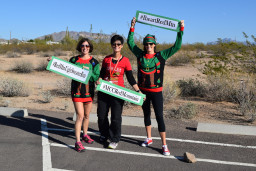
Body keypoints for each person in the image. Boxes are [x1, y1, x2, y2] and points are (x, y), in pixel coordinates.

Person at [127, 17, 184, 156]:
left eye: (151, 44)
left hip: (157, 92)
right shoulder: (140, 54)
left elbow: (176, 46)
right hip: (143, 92)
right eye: (146, 44)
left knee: (159, 116)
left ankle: (164, 145)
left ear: (155, 45)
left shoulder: (161, 55)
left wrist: (181, 30)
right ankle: (149, 138)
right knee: (146, 115)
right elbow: (130, 43)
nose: (148, 46)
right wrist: (132, 27)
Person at [48, 38, 100, 152]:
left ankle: (85, 135)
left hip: (89, 93)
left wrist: (85, 73)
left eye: (87, 46)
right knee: (80, 116)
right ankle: (77, 141)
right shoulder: (74, 60)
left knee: (87, 115)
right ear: (80, 47)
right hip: (77, 92)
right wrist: (53, 61)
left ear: (90, 47)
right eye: (83, 45)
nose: (85, 48)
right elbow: (64, 66)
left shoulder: (94, 62)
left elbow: (96, 77)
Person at [96, 34, 141, 149]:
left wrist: (138, 91)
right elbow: (102, 74)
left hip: (118, 93)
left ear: (122, 46)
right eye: (114, 44)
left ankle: (114, 138)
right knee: (101, 116)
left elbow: (130, 78)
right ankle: (104, 133)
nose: (116, 46)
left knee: (116, 118)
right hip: (104, 91)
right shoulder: (107, 59)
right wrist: (99, 80)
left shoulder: (125, 61)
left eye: (118, 44)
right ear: (112, 45)